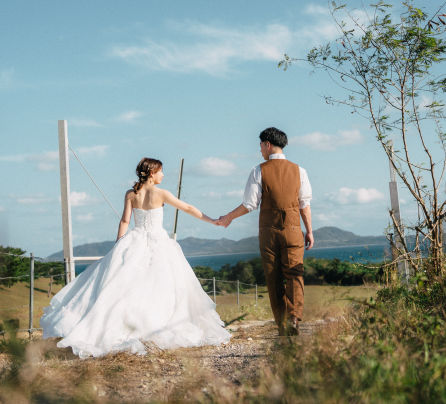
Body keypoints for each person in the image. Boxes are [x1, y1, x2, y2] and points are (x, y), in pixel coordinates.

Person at [40, 157, 231, 358]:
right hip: (158, 242)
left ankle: (125, 327)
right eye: (161, 171)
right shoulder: (162, 193)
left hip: (134, 240)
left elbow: (124, 220)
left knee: (127, 287)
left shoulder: (131, 194)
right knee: (161, 287)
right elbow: (188, 208)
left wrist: (118, 246)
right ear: (151, 173)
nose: (163, 175)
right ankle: (155, 327)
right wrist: (213, 221)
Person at [216, 127, 313, 336]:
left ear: (268, 144)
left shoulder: (258, 170)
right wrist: (309, 231)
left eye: (260, 145)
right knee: (295, 274)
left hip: (268, 232)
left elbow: (250, 204)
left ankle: (282, 325)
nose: (260, 150)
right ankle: (294, 317)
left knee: (273, 277)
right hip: (294, 230)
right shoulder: (299, 170)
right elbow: (304, 204)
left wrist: (229, 217)